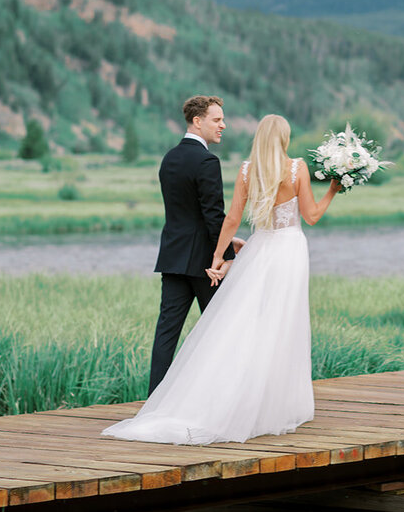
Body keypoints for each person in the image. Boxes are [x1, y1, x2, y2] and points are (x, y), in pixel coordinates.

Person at [102, 114, 341, 445]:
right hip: (289, 251)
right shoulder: (295, 167)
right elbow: (312, 217)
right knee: (284, 324)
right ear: (284, 138)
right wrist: (332, 189)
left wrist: (219, 257)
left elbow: (231, 218)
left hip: (259, 249)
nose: (222, 124)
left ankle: (206, 398)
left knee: (240, 323)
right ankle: (275, 405)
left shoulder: (246, 169)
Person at [145, 94, 236, 397]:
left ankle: (154, 401)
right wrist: (224, 257)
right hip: (204, 263)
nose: (223, 125)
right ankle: (217, 398)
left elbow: (183, 212)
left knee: (166, 333)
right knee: (220, 332)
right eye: (217, 119)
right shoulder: (207, 160)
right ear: (198, 121)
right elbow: (213, 216)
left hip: (172, 256)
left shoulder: (169, 157)